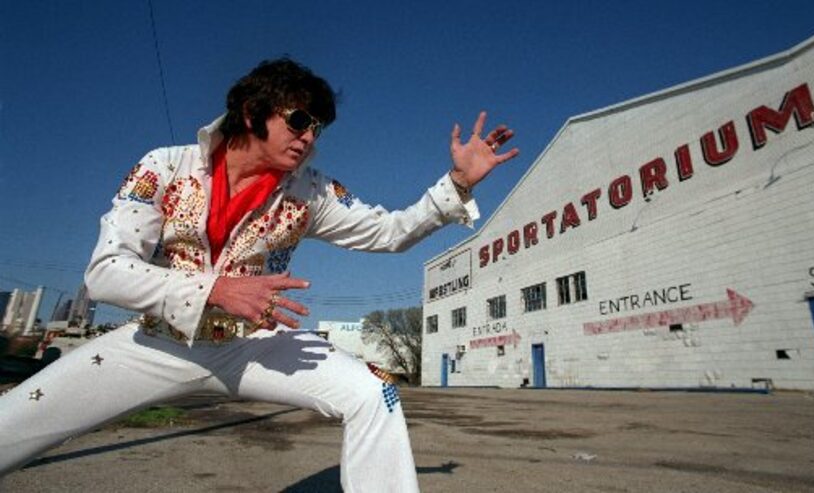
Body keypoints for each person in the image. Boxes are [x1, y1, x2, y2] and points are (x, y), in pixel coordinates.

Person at [0, 57, 518, 492]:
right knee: (12, 425)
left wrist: (456, 184)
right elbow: (105, 275)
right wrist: (216, 289)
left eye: (318, 128)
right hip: (155, 343)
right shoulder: (165, 167)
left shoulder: (310, 191)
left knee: (373, 394)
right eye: (298, 120)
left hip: (256, 346)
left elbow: (389, 232)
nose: (309, 137)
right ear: (252, 113)